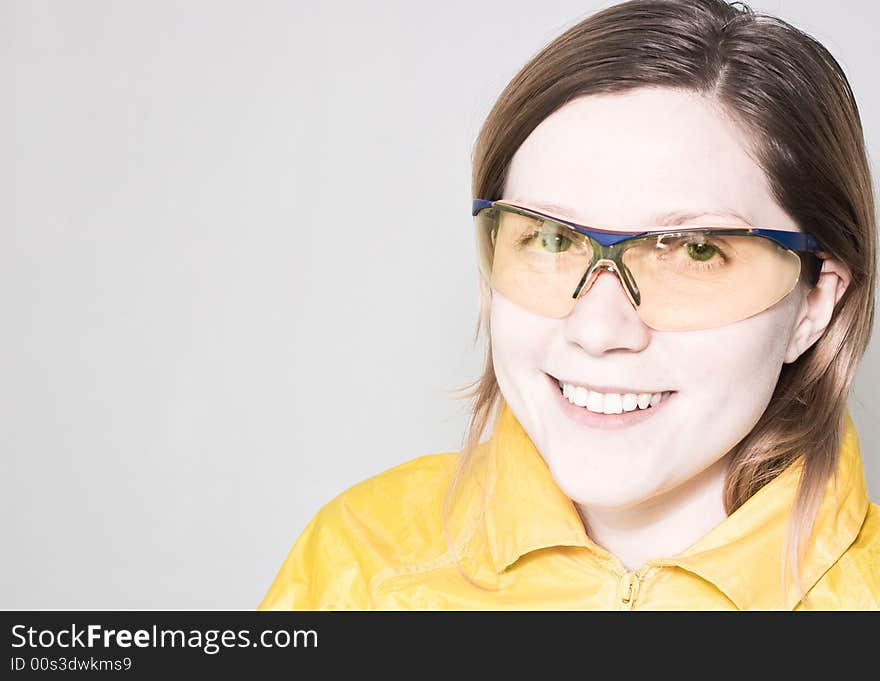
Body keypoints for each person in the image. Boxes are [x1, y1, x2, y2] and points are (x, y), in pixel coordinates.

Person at [258, 0, 878, 610]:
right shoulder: (360, 563)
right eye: (552, 239)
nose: (598, 327)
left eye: (693, 252)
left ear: (813, 304)